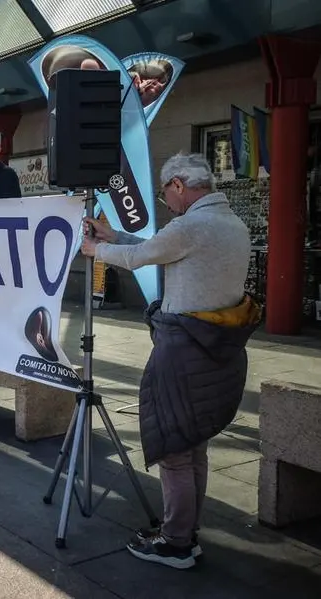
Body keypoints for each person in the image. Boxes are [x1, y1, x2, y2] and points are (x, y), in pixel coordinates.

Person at [81, 152, 261, 570]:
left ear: (178, 185)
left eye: (166, 195)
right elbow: (158, 249)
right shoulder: (232, 224)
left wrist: (95, 248)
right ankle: (186, 532)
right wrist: (115, 234)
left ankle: (176, 542)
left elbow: (141, 257)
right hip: (219, 347)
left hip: (183, 350)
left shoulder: (191, 226)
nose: (167, 203)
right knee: (195, 446)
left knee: (174, 449)